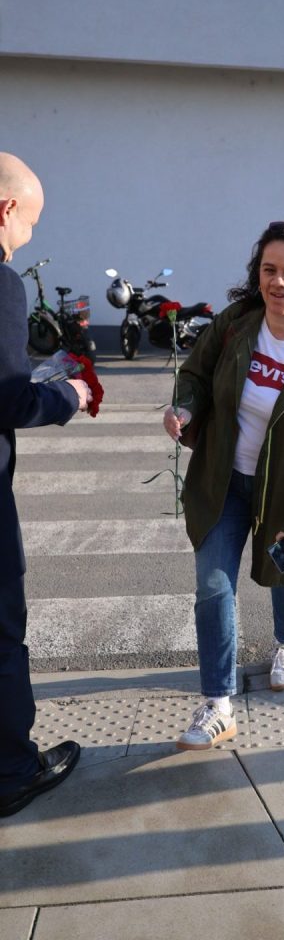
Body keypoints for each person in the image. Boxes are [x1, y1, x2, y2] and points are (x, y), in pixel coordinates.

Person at [163, 220, 284, 750]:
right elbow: (196, 375)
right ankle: (218, 704)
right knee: (213, 587)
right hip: (223, 481)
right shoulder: (236, 325)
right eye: (269, 269)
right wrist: (185, 407)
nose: (278, 282)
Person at [0, 152, 92, 817]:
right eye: (29, 221)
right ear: (6, 209)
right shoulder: (2, 282)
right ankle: (12, 770)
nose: (27, 237)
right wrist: (68, 393)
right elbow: (8, 399)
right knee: (2, 633)